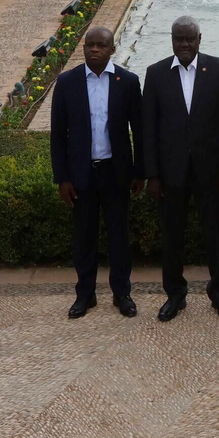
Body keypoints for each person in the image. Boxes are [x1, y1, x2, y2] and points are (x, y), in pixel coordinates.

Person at [142, 17, 219, 322]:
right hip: (170, 174)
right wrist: (153, 175)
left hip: (211, 173)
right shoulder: (156, 73)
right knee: (172, 236)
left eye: (189, 39)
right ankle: (175, 294)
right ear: (171, 40)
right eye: (178, 39)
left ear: (200, 38)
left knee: (215, 235)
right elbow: (148, 129)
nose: (184, 45)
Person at [50, 26, 143, 320]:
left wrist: (140, 171)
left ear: (112, 49)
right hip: (81, 175)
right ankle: (85, 295)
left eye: (101, 45)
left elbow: (139, 131)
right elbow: (57, 136)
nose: (94, 50)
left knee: (119, 236)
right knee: (84, 238)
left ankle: (122, 293)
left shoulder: (127, 81)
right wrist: (62, 178)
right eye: (89, 45)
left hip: (116, 173)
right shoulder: (67, 82)